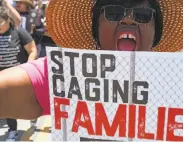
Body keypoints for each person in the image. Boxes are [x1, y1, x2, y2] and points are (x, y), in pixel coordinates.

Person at [0, 0, 182, 121]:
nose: (128, 20)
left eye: (142, 15)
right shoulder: (66, 76)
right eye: (113, 12)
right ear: (96, 30)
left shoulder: (176, 83)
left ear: (156, 32)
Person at [0, 6, 37, 141]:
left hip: (19, 76)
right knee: (7, 103)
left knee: (27, 102)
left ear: (8, 19)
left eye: (0, 22)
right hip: (3, 78)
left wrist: (28, 67)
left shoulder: (19, 32)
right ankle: (13, 130)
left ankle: (34, 118)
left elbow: (32, 50)